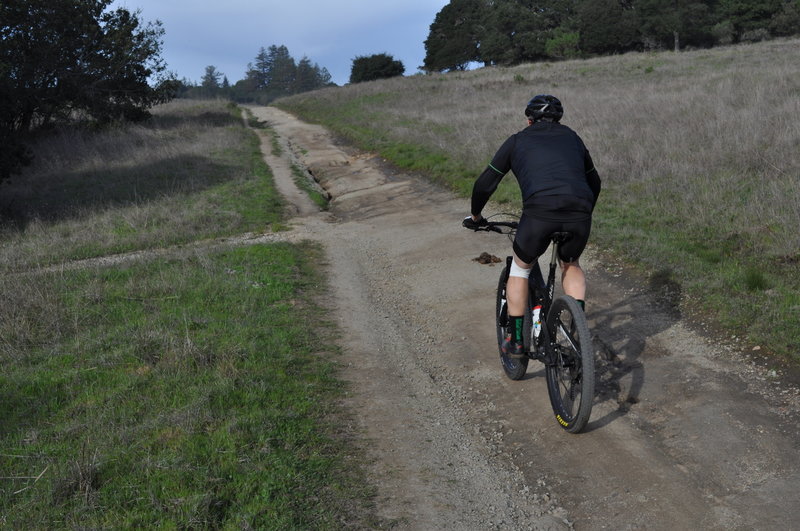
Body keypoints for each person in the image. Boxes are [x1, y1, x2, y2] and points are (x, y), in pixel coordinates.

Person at [463, 95, 601, 359]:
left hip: (540, 213)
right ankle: (576, 330)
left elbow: (486, 182)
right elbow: (595, 181)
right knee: (571, 264)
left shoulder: (517, 140)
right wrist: (582, 212)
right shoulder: (573, 138)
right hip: (579, 212)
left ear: (529, 120)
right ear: (559, 119)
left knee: (520, 267)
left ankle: (515, 340)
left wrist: (476, 216)